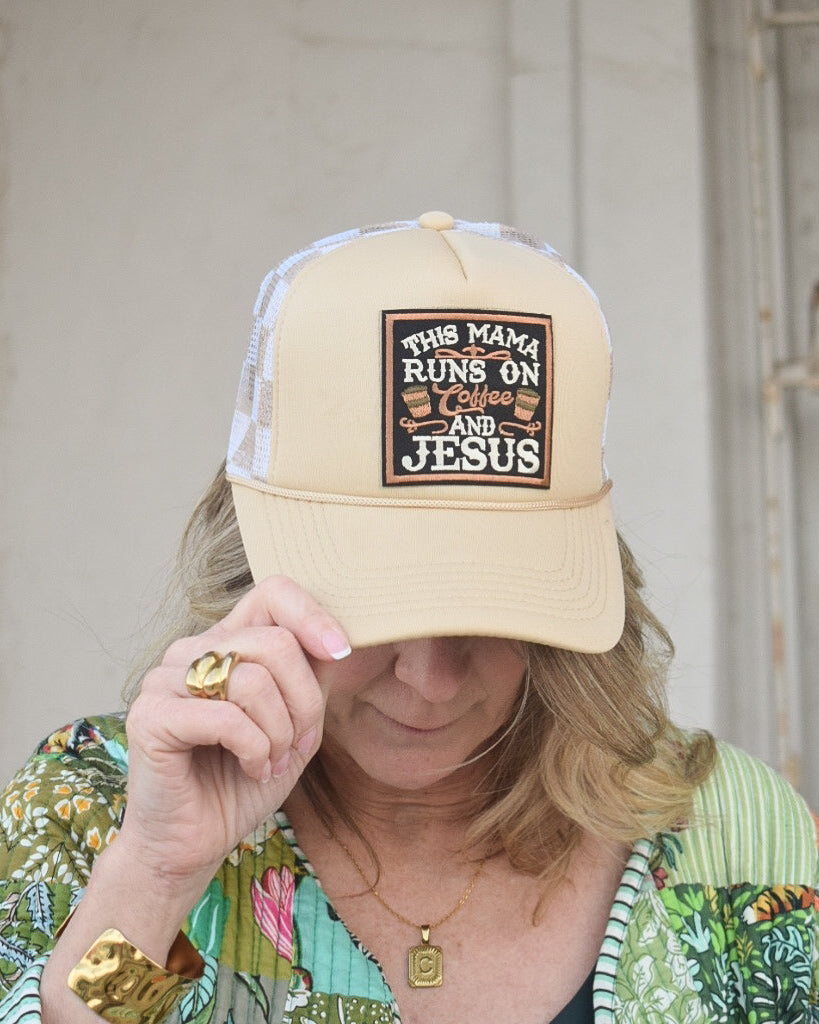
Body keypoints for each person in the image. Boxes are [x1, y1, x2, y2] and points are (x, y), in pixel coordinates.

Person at [0, 212, 816, 1024]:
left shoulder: (728, 834)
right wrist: (155, 877)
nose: (430, 680)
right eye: (369, 604)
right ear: (249, 563)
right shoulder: (99, 808)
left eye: (495, 603)